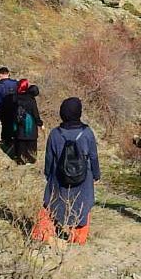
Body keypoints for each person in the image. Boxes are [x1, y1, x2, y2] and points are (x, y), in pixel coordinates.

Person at [34, 97, 100, 244]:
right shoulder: (87, 132)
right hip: (83, 178)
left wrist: (48, 175)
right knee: (82, 205)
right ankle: (77, 238)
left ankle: (45, 234)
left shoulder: (55, 133)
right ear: (79, 113)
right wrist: (96, 174)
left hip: (59, 177)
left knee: (51, 204)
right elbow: (94, 156)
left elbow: (49, 158)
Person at [1, 80, 42, 165]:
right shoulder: (31, 99)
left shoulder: (14, 97)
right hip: (30, 125)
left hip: (18, 124)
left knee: (20, 142)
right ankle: (30, 160)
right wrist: (40, 123)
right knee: (31, 143)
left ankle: (20, 159)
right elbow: (35, 113)